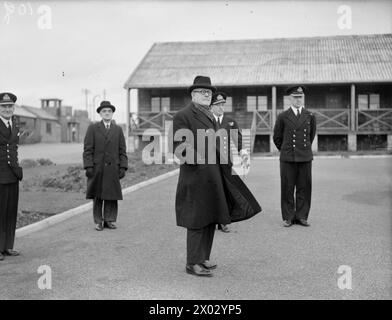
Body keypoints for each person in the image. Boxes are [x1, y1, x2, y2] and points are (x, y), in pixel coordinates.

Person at [171, 76, 261, 277]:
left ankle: (203, 258)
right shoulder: (183, 116)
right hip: (196, 177)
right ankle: (192, 263)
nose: (207, 95)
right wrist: (202, 163)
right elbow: (180, 148)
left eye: (209, 93)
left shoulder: (210, 116)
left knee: (210, 217)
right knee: (196, 220)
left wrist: (224, 165)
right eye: (203, 92)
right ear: (193, 94)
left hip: (215, 175)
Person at [273, 86, 317, 227]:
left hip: (305, 157)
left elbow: (311, 136)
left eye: (300, 97)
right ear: (290, 99)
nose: (298, 100)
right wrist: (287, 150)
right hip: (288, 158)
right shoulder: (283, 116)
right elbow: (277, 137)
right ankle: (288, 217)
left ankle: (302, 216)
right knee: (287, 188)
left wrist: (302, 149)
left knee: (304, 187)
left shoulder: (310, 116)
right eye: (295, 97)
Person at [83, 101, 128, 231]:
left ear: (112, 113)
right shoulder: (93, 128)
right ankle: (98, 221)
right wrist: (88, 166)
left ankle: (109, 220)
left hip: (113, 168)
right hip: (98, 168)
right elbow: (87, 149)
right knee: (98, 196)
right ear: (100, 114)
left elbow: (122, 150)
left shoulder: (118, 129)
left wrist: (123, 167)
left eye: (109, 111)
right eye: (104, 111)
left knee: (111, 195)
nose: (107, 113)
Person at [210, 91, 250, 233]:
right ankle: (211, 220)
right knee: (211, 191)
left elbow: (238, 140)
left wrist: (243, 153)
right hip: (209, 164)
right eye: (218, 105)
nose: (221, 107)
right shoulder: (206, 120)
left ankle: (223, 221)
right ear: (211, 106)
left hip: (226, 163)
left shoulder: (230, 122)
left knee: (226, 191)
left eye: (223, 104)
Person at [0, 92, 23, 261]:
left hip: (13, 174)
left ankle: (8, 246)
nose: (7, 109)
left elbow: (13, 149)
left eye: (10, 106)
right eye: (3, 106)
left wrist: (18, 169)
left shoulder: (15, 124)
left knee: (10, 211)